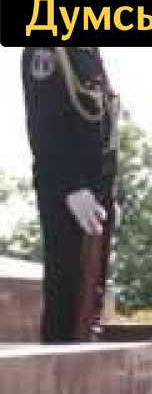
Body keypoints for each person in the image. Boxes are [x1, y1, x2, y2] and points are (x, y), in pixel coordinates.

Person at [21, 47, 121, 344]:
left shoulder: (90, 52)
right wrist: (72, 186)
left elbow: (105, 128)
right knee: (66, 287)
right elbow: (43, 125)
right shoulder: (46, 48)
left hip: (98, 190)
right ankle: (58, 357)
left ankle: (84, 353)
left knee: (91, 291)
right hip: (65, 189)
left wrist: (109, 191)